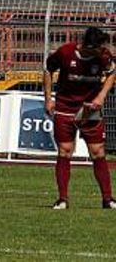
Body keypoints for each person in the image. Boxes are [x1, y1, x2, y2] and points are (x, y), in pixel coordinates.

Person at [43, 28, 115, 210]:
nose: (99, 52)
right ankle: (62, 199)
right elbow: (47, 70)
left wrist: (101, 97)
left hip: (89, 109)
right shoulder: (65, 52)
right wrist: (48, 98)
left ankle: (108, 199)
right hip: (65, 107)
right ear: (86, 46)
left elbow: (112, 73)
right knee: (65, 151)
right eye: (96, 49)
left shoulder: (103, 56)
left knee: (97, 152)